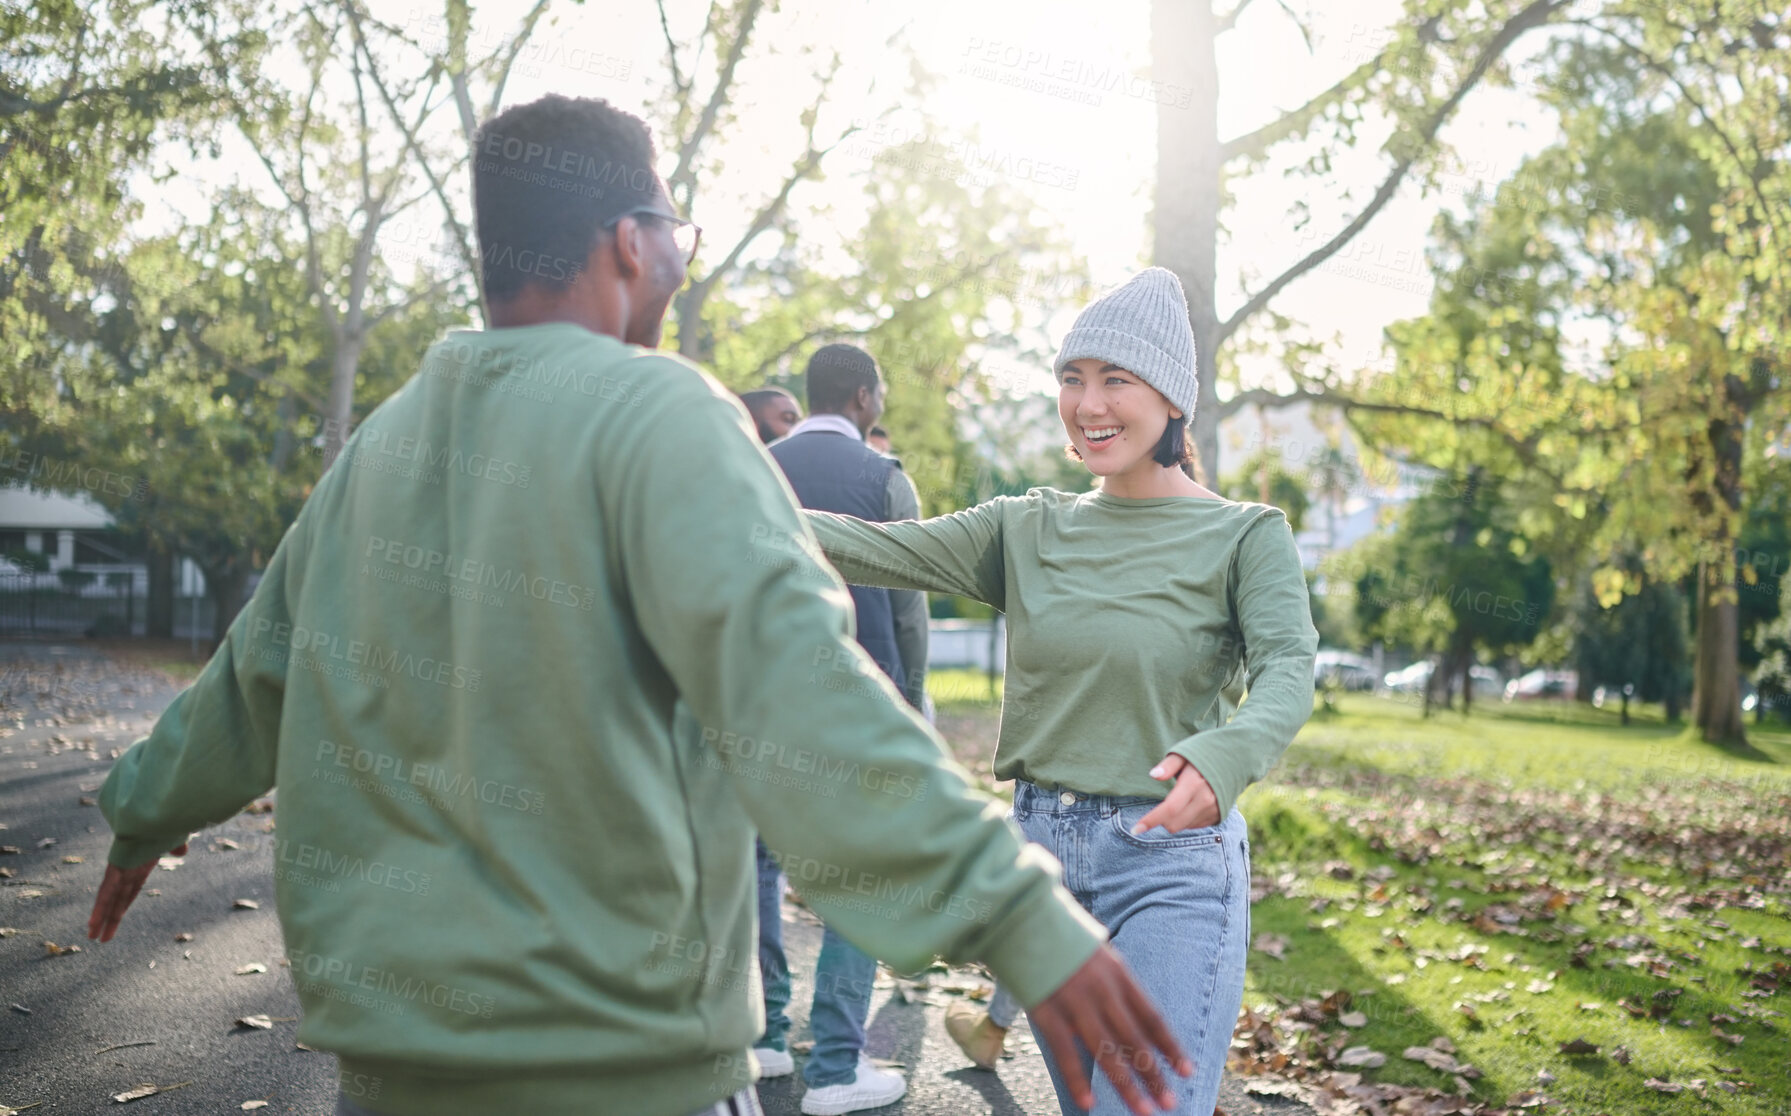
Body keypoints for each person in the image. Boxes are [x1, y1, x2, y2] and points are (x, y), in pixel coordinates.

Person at [85, 94, 1193, 1116]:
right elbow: (800, 693)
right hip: (616, 1061)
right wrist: (1019, 915)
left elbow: (254, 672)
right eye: (681, 231)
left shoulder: (387, 441)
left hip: (393, 1063)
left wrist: (147, 806)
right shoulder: (658, 414)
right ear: (631, 240)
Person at [800, 268, 1319, 1116]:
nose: (1088, 404)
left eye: (1115, 378)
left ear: (1171, 397)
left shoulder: (1244, 537)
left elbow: (1287, 671)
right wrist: (717, 501)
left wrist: (1223, 756)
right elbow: (870, 548)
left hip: (1169, 867)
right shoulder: (1025, 525)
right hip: (1042, 871)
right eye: (1071, 379)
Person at [743, 344, 926, 1114]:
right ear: (860, 397)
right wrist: (913, 705)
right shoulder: (886, 480)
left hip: (758, 699)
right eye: (878, 389)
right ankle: (837, 1064)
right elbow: (912, 604)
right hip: (862, 702)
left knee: (756, 868)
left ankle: (762, 1036)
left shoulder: (753, 464)